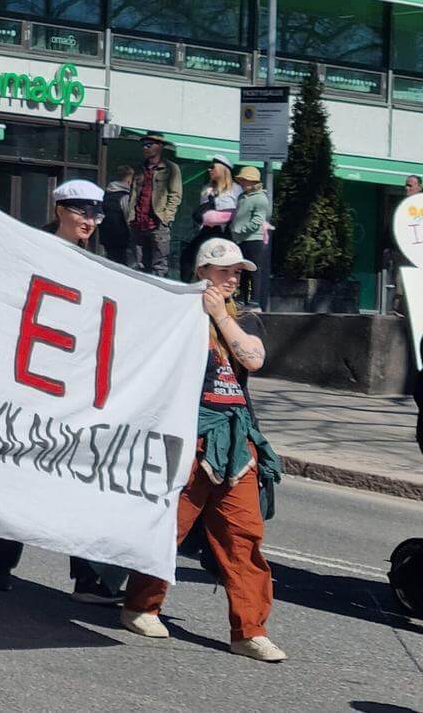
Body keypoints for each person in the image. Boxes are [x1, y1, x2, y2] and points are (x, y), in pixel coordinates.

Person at [121, 238, 286, 663]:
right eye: (224, 271)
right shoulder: (177, 315)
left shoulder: (245, 318)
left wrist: (220, 317)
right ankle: (140, 605)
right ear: (202, 273)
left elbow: (253, 359)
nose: (232, 279)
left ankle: (249, 630)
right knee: (169, 528)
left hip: (235, 441)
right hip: (187, 437)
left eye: (237, 273)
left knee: (243, 539)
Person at [0, 180, 126, 604]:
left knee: (74, 478)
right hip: (33, 379)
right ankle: (0, 565)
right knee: (22, 474)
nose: (90, 221)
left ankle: (84, 577)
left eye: (96, 214)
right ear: (61, 209)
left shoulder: (98, 259)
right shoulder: (34, 247)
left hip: (74, 382)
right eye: (82, 211)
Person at [130, 132, 182, 278]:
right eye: (143, 145)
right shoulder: (140, 168)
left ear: (159, 147)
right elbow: (133, 194)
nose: (145, 148)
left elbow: (175, 195)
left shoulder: (171, 168)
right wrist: (131, 217)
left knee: (159, 266)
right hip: (139, 223)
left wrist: (166, 218)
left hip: (158, 223)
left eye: (149, 145)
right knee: (140, 265)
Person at [181, 156, 239, 281]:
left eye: (213, 167)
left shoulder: (235, 189)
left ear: (223, 169)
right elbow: (202, 212)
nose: (209, 170)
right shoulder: (207, 189)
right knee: (188, 256)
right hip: (206, 231)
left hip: (226, 233)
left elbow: (238, 213)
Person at [231, 167, 270, 311]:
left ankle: (255, 301)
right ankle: (241, 298)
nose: (241, 183)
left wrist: (240, 229)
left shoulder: (260, 198)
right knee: (243, 270)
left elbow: (258, 221)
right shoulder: (242, 196)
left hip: (254, 240)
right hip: (240, 240)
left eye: (244, 180)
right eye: (241, 180)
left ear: (253, 181)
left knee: (254, 270)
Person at [101, 166, 134, 266]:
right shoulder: (125, 197)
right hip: (122, 241)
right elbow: (130, 220)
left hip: (105, 239)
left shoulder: (105, 195)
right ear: (129, 181)